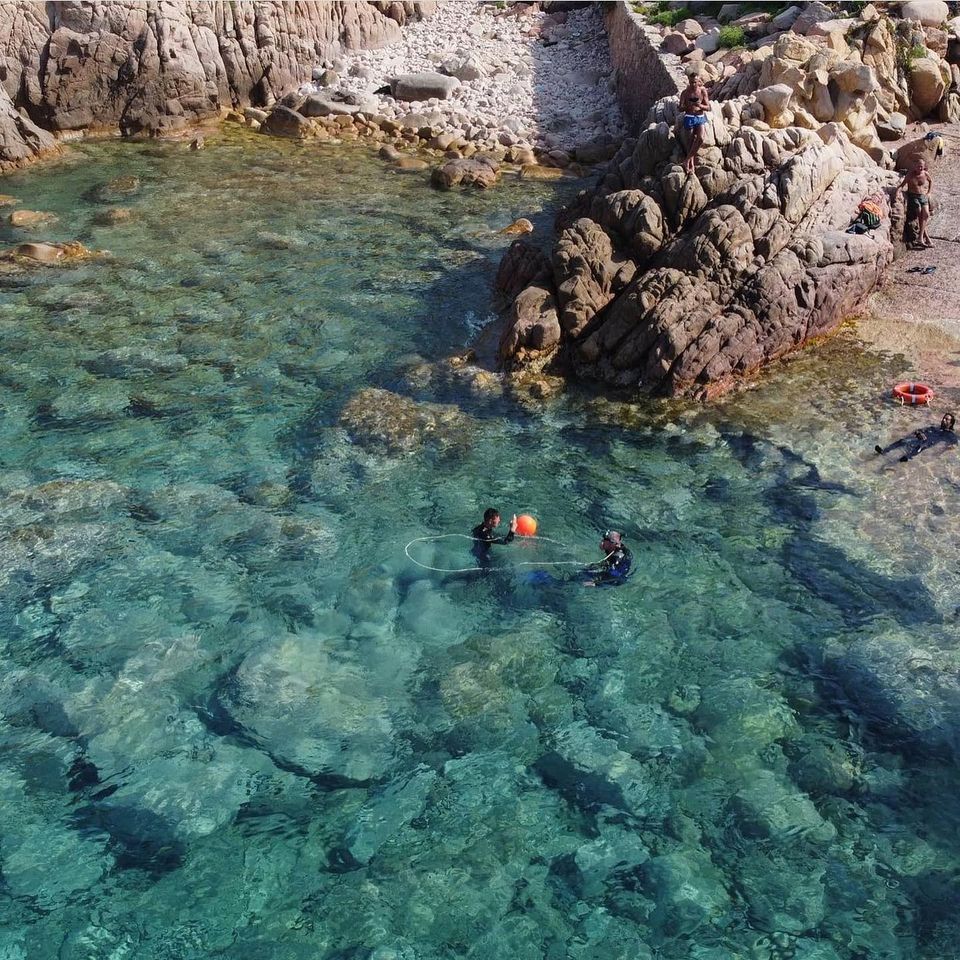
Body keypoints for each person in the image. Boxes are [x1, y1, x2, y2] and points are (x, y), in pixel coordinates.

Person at [875, 412, 956, 462]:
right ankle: (884, 451)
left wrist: (939, 453)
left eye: (947, 419)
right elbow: (920, 430)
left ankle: (899, 461)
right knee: (903, 441)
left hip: (926, 443)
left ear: (951, 423)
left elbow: (953, 446)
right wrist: (918, 433)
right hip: (919, 438)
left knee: (919, 448)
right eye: (943, 418)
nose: (943, 420)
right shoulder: (935, 427)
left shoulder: (950, 434)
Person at [679, 73, 710, 176]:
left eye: (695, 82)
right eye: (691, 82)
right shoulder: (685, 93)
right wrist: (688, 106)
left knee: (701, 138)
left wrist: (699, 105)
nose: (693, 84)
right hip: (689, 117)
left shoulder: (702, 91)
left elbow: (708, 107)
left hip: (700, 117)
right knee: (690, 142)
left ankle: (686, 160)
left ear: (698, 81)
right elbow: (680, 108)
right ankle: (690, 165)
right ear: (689, 81)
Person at [899, 157, 933, 249]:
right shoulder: (910, 175)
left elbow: (931, 181)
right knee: (920, 215)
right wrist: (897, 193)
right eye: (918, 167)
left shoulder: (925, 174)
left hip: (922, 196)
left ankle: (921, 237)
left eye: (921, 167)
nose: (920, 168)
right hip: (913, 196)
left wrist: (929, 192)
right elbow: (902, 185)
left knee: (926, 214)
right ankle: (924, 238)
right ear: (914, 167)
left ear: (924, 167)